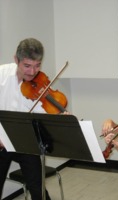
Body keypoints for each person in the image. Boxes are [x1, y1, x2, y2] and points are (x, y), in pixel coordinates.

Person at [0, 38, 52, 200]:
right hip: (1, 143)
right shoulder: (1, 75)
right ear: (16, 59)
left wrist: (58, 115)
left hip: (25, 142)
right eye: (27, 66)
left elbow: (42, 112)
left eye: (37, 66)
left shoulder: (38, 83)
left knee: (38, 188)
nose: (32, 72)